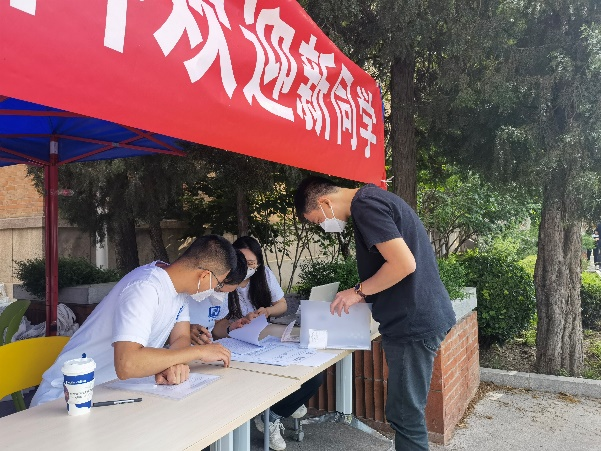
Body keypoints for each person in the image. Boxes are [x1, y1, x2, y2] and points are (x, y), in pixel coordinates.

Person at [294, 176, 456, 451]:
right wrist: (366, 294)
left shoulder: (365, 205)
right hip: (416, 317)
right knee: (405, 411)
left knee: (405, 415)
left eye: (318, 220)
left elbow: (404, 264)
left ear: (325, 202)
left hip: (412, 323)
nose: (323, 226)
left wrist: (358, 291)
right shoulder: (373, 199)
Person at [31, 235, 236, 407]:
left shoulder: (179, 290)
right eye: (218, 284)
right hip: (67, 398)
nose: (215, 290)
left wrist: (174, 364)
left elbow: (181, 338)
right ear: (204, 276)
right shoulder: (145, 288)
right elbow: (127, 364)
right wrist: (199, 352)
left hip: (112, 393)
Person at [224, 236, 323, 451]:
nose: (247, 268)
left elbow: (281, 305)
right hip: (234, 343)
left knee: (312, 375)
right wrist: (234, 326)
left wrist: (266, 311)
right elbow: (216, 326)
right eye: (242, 262)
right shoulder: (223, 280)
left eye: (252, 263)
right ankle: (276, 412)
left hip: (261, 336)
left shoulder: (263, 275)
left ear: (259, 263)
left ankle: (275, 413)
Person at [188, 250, 250, 344]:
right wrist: (183, 332)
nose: (221, 295)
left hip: (206, 349)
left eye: (226, 292)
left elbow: (217, 324)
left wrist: (231, 328)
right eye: (219, 289)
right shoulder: (181, 293)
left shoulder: (224, 291)